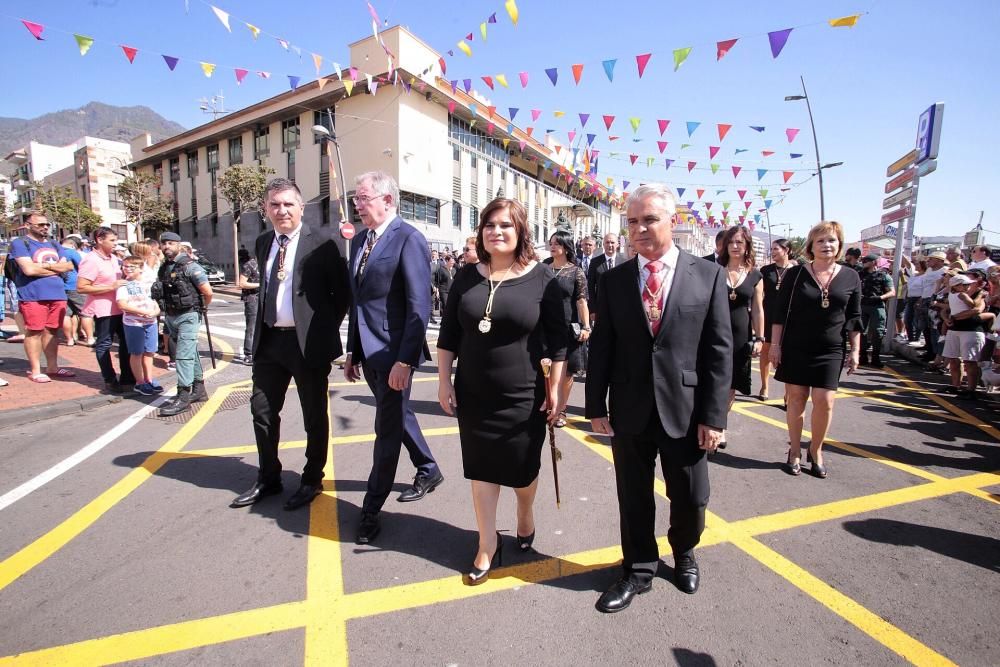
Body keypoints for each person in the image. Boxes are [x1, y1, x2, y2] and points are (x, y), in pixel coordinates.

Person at [586, 183, 732, 613]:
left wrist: (714, 417)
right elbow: (603, 348)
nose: (640, 229)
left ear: (673, 220)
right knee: (633, 495)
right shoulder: (613, 281)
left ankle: (684, 551)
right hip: (630, 407)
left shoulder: (707, 275)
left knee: (690, 496)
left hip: (686, 411)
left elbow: (718, 351)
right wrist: (595, 406)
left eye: (649, 219)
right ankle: (638, 568)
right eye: (632, 221)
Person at [437, 198, 567, 585]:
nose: (496, 231)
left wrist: (556, 389)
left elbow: (559, 343)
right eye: (490, 224)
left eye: (506, 225)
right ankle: (487, 542)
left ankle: (525, 513)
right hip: (474, 392)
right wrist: (444, 380)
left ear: (521, 231)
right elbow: (449, 335)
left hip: (523, 394)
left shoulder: (544, 279)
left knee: (522, 471)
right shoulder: (465, 276)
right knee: (481, 470)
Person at [231, 178, 351, 510]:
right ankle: (269, 477)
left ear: (301, 207)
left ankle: (312, 478)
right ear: (266, 209)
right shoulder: (263, 241)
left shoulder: (325, 244)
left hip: (306, 345)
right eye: (274, 204)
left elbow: (340, 297)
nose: (281, 210)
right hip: (269, 342)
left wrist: (320, 330)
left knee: (314, 415)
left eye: (288, 204)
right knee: (262, 411)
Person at [345, 171, 443, 544]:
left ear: (387, 200)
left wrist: (405, 361)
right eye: (357, 198)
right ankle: (428, 468)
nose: (358, 204)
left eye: (364, 197)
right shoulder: (361, 242)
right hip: (368, 352)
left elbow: (419, 306)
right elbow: (360, 303)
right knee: (398, 414)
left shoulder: (409, 239)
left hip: (393, 353)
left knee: (385, 430)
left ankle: (370, 510)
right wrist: (353, 350)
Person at [770, 221, 862, 479]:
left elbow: (854, 317)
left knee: (825, 401)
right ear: (811, 245)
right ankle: (795, 450)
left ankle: (817, 449)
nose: (826, 245)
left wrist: (855, 350)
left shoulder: (851, 276)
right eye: (820, 241)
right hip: (796, 346)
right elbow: (779, 314)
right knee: (796, 399)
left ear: (840, 245)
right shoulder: (795, 274)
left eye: (831, 240)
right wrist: (775, 346)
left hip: (831, 348)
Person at [8, 212, 76, 382]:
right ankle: (35, 370)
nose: (45, 227)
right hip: (33, 295)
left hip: (57, 294)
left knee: (53, 331)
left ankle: (53, 367)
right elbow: (28, 270)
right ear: (28, 225)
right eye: (40, 225)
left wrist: (42, 266)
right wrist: (54, 267)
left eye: (47, 224)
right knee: (34, 331)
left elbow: (67, 266)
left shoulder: (54, 243)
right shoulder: (20, 243)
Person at [155, 232, 213, 416]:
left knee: (183, 356)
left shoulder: (190, 267)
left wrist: (200, 308)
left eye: (171, 243)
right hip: (172, 315)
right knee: (190, 352)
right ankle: (199, 389)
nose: (166, 247)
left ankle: (183, 396)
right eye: (164, 243)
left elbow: (207, 292)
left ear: (179, 245)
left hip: (188, 314)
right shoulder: (164, 267)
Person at [719, 225, 764, 450]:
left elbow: (757, 309)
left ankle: (721, 425)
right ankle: (711, 421)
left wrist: (760, 338)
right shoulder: (714, 269)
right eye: (731, 242)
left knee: (731, 385)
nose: (735, 246)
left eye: (740, 242)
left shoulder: (755, 275)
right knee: (714, 381)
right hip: (714, 335)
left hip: (741, 336)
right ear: (725, 245)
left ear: (747, 246)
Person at [546, 229, 589, 427]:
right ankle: (547, 405)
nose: (552, 246)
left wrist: (586, 326)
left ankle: (561, 410)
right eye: (551, 242)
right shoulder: (543, 267)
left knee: (566, 373)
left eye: (557, 243)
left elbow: (581, 302)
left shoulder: (576, 271)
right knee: (545, 369)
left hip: (567, 328)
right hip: (544, 326)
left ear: (565, 247)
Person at [116, 256, 163, 396]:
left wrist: (155, 312)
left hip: (150, 322)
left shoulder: (148, 284)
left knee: (149, 352)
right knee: (136, 353)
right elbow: (122, 304)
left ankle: (149, 379)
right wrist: (142, 312)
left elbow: (155, 302)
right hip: (133, 324)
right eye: (125, 266)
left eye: (132, 267)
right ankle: (140, 382)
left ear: (141, 269)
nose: (127, 269)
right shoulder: (124, 285)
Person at [759, 239, 795, 403]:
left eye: (776, 249)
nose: (772, 252)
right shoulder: (766, 270)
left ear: (786, 250)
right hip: (768, 315)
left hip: (789, 317)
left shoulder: (796, 270)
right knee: (765, 352)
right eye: (771, 249)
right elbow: (759, 295)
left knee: (787, 354)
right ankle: (764, 386)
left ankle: (788, 394)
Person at [857, 254, 895, 368]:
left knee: (878, 332)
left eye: (867, 261)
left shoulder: (883, 275)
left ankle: (875, 357)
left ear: (874, 262)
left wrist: (880, 298)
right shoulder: (859, 275)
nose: (864, 262)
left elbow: (892, 292)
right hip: (862, 305)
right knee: (860, 331)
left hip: (877, 306)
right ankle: (862, 356)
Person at [587, 232, 627, 319]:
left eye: (612, 242)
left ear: (617, 244)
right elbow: (590, 287)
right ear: (603, 244)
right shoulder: (595, 262)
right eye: (607, 242)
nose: (610, 245)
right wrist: (592, 309)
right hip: (601, 307)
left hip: (620, 307)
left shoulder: (624, 262)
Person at [918, 251, 948, 362]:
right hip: (925, 298)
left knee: (933, 327)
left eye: (931, 259)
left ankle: (935, 353)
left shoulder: (944, 271)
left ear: (940, 261)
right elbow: (925, 285)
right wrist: (921, 298)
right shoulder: (929, 270)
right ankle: (929, 349)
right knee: (924, 326)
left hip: (933, 299)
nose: (928, 261)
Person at [59, 235, 85, 346]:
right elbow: (83, 266)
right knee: (85, 313)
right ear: (72, 245)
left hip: (61, 286)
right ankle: (89, 338)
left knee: (66, 314)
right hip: (74, 285)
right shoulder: (71, 252)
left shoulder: (56, 251)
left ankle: (70, 338)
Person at [237, 247, 260, 365]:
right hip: (252, 299)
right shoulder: (250, 265)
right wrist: (260, 285)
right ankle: (248, 354)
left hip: (264, 299)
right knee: (252, 327)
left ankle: (260, 351)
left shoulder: (268, 264)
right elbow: (242, 283)